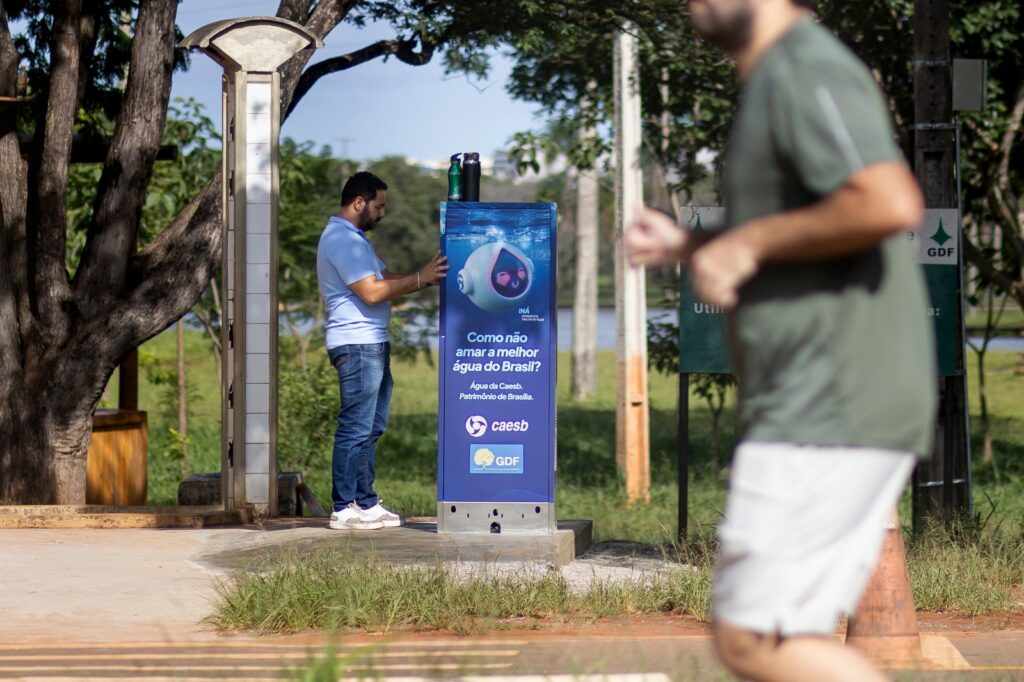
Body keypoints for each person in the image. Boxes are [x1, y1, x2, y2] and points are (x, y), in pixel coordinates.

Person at [625, 1, 935, 680]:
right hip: (818, 398)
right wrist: (691, 244)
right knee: (767, 637)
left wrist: (747, 240)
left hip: (831, 396)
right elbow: (801, 235)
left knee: (752, 640)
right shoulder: (772, 79)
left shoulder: (804, 67)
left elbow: (888, 201)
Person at [316, 171, 448, 530]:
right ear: (358, 202)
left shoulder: (356, 240)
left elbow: (388, 279)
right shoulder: (343, 241)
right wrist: (420, 278)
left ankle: (366, 501)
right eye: (379, 206)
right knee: (355, 426)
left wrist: (428, 276)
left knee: (372, 426)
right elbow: (373, 292)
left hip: (371, 342)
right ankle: (343, 507)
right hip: (357, 344)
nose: (383, 213)